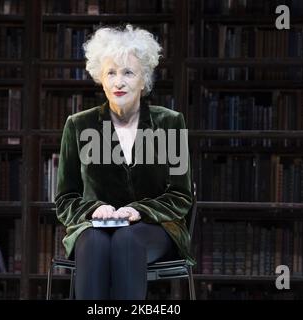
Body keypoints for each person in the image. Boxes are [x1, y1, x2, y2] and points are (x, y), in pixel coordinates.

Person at [55, 24, 194, 300]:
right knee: (94, 243)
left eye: (128, 73)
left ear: (144, 80)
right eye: (111, 73)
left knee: (126, 239)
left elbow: (180, 195)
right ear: (101, 79)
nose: (119, 82)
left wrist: (138, 210)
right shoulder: (78, 125)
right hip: (94, 228)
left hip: (156, 227)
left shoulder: (170, 122)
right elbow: (65, 199)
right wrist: (95, 209)